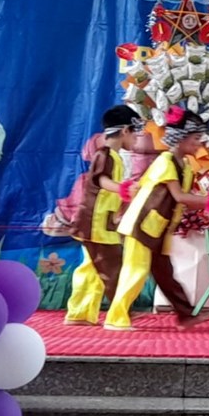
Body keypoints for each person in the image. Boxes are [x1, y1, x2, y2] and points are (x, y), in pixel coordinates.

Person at [104, 107, 209, 330]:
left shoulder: (184, 166)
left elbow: (183, 199)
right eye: (196, 138)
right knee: (135, 271)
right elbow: (180, 196)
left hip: (158, 229)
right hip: (142, 226)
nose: (199, 143)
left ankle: (185, 315)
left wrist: (208, 202)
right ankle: (115, 318)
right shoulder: (165, 162)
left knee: (165, 274)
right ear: (181, 138)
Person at [65, 105, 142, 326]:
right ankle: (120, 312)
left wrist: (121, 205)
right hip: (95, 223)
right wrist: (123, 189)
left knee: (91, 268)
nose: (137, 139)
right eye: (135, 134)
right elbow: (100, 180)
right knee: (112, 267)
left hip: (102, 222)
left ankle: (80, 313)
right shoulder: (105, 154)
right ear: (125, 130)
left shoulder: (114, 156)